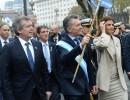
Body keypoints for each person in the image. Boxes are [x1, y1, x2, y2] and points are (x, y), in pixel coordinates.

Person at [0, 16, 51, 100]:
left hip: (39, 93)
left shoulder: (37, 44)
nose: (32, 28)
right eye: (28, 26)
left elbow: (44, 69)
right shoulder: (9, 48)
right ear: (19, 30)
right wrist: (9, 97)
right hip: (20, 94)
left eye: (31, 26)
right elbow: (5, 76)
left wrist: (48, 89)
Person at [56, 14, 97, 100]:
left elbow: (88, 63)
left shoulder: (83, 40)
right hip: (72, 88)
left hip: (85, 87)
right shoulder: (61, 44)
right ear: (69, 29)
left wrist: (93, 83)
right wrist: (80, 46)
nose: (81, 27)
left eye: (80, 24)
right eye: (77, 25)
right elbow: (65, 59)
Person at [93, 16, 128, 100]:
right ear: (103, 26)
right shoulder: (97, 40)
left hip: (119, 82)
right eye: (108, 25)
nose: (112, 26)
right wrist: (103, 32)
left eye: (112, 24)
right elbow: (103, 45)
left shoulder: (116, 40)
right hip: (105, 83)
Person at [37, 25, 61, 100]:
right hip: (41, 79)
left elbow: (57, 63)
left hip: (53, 77)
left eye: (47, 31)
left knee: (55, 97)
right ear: (38, 34)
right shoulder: (35, 46)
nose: (46, 33)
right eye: (43, 32)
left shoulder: (53, 45)